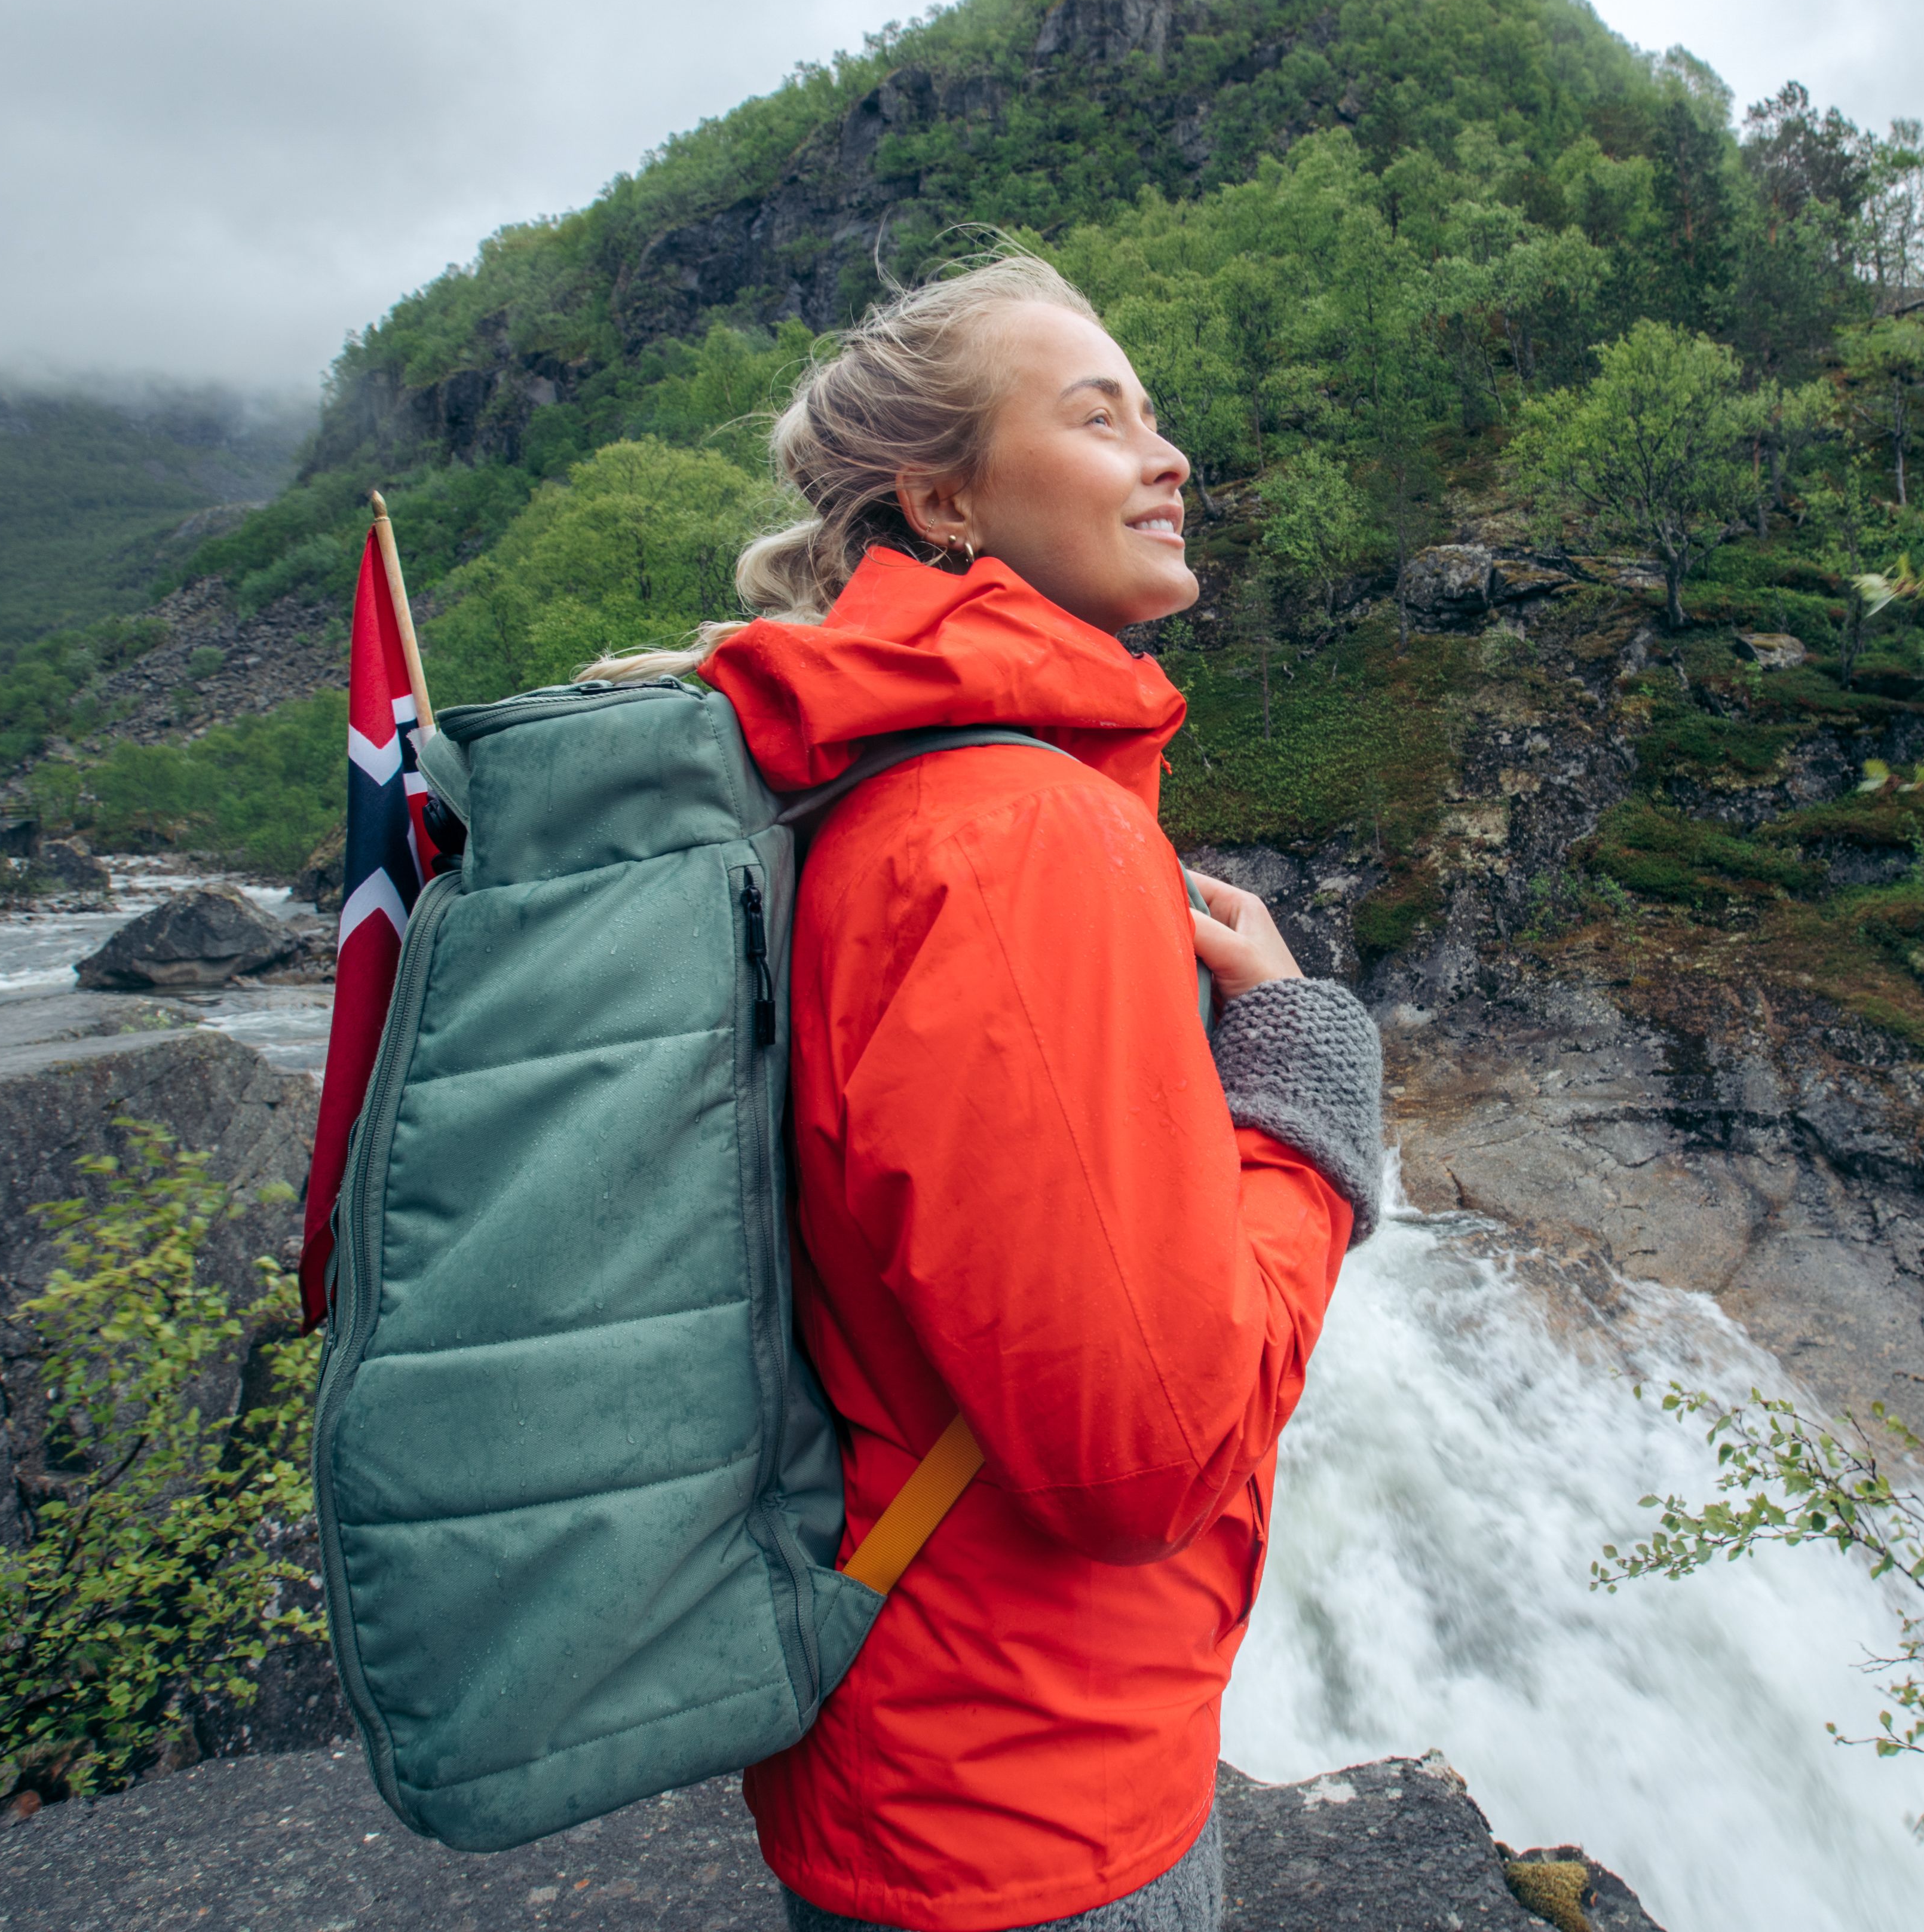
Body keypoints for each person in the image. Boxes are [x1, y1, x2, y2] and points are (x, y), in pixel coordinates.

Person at [589, 253, 1381, 1932]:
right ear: (943, 499)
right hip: (1030, 1798)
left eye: (1156, 417)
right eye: (1100, 417)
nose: (1168, 458)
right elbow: (1138, 1461)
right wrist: (1308, 1094)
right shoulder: (1014, 837)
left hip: (925, 1740)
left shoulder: (875, 786)